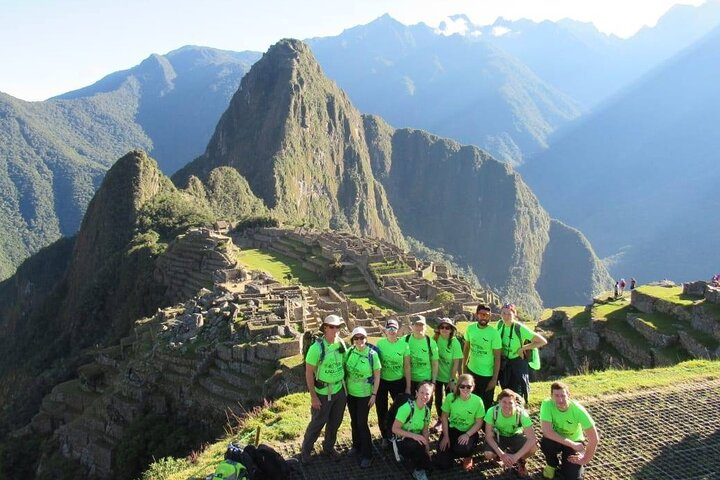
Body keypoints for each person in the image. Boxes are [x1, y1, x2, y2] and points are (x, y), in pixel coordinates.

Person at [301, 314, 347, 464]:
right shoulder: (316, 348)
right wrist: (313, 396)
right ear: (325, 328)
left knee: (335, 422)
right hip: (322, 393)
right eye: (332, 327)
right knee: (317, 424)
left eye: (338, 327)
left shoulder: (340, 344)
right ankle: (306, 452)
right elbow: (308, 372)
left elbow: (344, 364)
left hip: (339, 391)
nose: (335, 330)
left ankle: (328, 448)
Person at [540, 382, 599, 480]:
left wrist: (585, 459)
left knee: (573, 477)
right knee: (546, 443)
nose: (560, 399)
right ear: (551, 396)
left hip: (575, 441)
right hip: (557, 440)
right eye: (556, 396)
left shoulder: (578, 410)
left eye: (563, 395)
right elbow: (547, 432)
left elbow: (594, 439)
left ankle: (573, 466)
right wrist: (571, 444)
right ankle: (552, 464)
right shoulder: (547, 404)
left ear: (569, 395)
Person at [344, 326, 381, 468]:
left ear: (366, 339)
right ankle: (356, 446)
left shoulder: (372, 354)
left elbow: (377, 376)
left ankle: (367, 455)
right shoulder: (349, 352)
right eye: (356, 338)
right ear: (353, 340)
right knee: (354, 421)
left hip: (365, 394)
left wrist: (374, 394)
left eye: (362, 338)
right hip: (351, 393)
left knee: (362, 423)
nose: (359, 340)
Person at [497, 303, 547, 405]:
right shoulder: (499, 324)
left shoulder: (519, 328)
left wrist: (523, 348)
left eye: (509, 314)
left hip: (517, 364)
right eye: (504, 313)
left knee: (517, 393)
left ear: (514, 315)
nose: (506, 316)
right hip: (505, 364)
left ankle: (519, 413)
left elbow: (542, 341)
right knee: (505, 390)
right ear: (500, 314)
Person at [435, 373, 486, 472]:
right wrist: (445, 436)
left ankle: (468, 455)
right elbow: (444, 417)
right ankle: (450, 452)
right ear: (458, 387)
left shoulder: (478, 401)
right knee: (443, 464)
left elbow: (479, 423)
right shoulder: (450, 398)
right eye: (462, 386)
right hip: (452, 430)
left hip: (469, 432)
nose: (465, 389)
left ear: (473, 387)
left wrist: (467, 434)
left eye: (469, 386)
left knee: (461, 449)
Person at [483, 389, 537, 478]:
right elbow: (488, 436)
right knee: (488, 454)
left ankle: (520, 459)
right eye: (504, 402)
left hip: (515, 436)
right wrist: (502, 455)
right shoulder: (492, 411)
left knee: (533, 448)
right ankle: (500, 457)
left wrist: (516, 457)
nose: (507, 406)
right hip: (499, 436)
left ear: (515, 403)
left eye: (510, 403)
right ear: (499, 402)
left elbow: (532, 438)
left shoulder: (521, 414)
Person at [375, 318, 411, 446]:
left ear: (398, 330)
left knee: (400, 410)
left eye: (394, 328)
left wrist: (408, 386)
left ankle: (399, 433)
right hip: (383, 382)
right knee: (381, 409)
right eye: (389, 328)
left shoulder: (404, 345)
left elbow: (407, 366)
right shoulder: (380, 344)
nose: (392, 331)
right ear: (385, 330)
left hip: (398, 382)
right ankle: (385, 435)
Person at [392, 381, 435, 480]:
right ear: (416, 393)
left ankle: (417, 461)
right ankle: (417, 471)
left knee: (429, 464)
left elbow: (425, 431)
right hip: (402, 440)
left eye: (427, 394)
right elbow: (394, 429)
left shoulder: (427, 411)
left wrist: (427, 450)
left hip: (416, 439)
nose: (424, 396)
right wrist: (414, 436)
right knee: (417, 446)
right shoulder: (407, 408)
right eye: (422, 392)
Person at [463, 303, 502, 411]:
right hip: (472, 371)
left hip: (487, 375)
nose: (484, 317)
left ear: (490, 316)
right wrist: (464, 368)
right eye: (481, 314)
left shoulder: (494, 333)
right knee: (470, 402)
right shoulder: (470, 329)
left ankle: (486, 427)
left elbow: (497, 358)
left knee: (486, 404)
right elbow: (466, 348)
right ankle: (471, 427)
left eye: (486, 315)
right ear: (476, 315)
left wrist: (494, 379)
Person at [431, 317, 463, 433]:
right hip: (437, 376)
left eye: (447, 327)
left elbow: (456, 362)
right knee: (438, 400)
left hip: (449, 377)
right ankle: (440, 419)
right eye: (442, 327)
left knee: (451, 399)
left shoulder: (454, 342)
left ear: (451, 330)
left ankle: (451, 420)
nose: (444, 329)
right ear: (439, 329)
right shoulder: (434, 339)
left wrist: (452, 379)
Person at [405, 315, 439, 394]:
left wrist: (433, 383)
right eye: (416, 324)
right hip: (409, 380)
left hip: (426, 381)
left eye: (421, 325)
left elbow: (435, 364)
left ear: (425, 327)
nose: (419, 327)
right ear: (412, 326)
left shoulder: (431, 342)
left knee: (426, 405)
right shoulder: (405, 340)